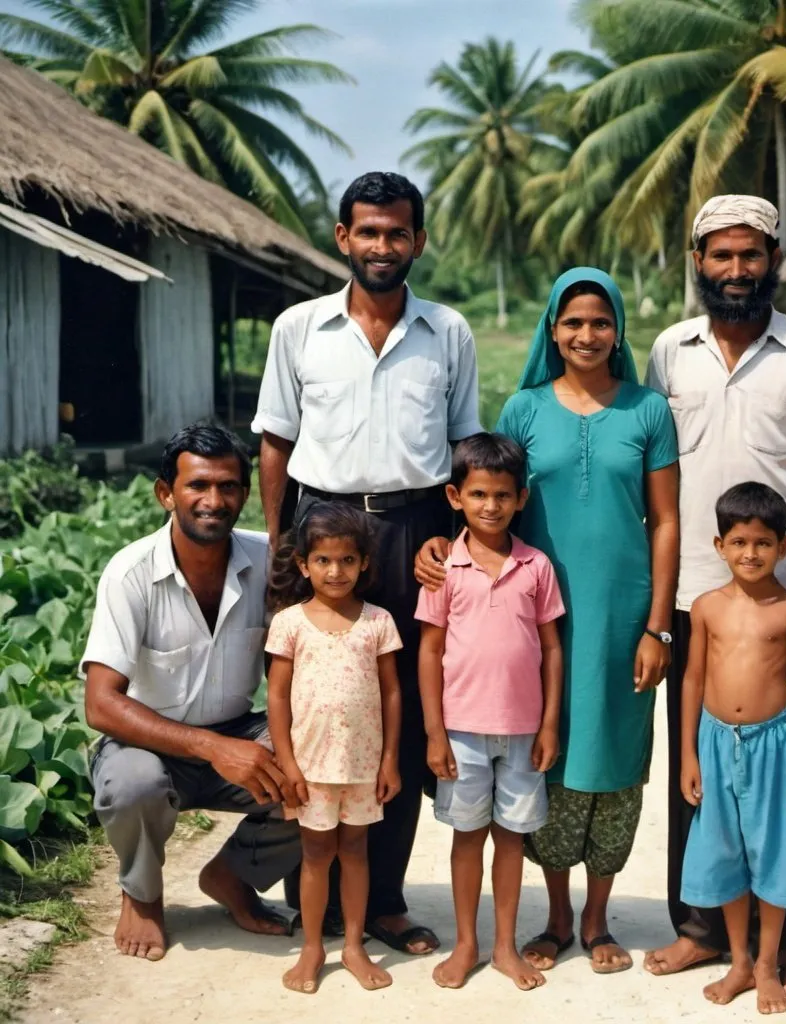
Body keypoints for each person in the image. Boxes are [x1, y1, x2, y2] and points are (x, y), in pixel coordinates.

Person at [416, 268, 680, 975]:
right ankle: (556, 917)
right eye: (573, 322)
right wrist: (445, 544)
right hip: (533, 612)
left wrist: (658, 626)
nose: (587, 335)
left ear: (619, 330)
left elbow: (666, 522)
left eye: (601, 322)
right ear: (552, 331)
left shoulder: (649, 411)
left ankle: (598, 919)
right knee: (549, 760)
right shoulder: (524, 409)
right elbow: (490, 495)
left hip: (623, 610)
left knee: (615, 760)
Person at [251, 171, 482, 954]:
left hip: (415, 526)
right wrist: (284, 550)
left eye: (398, 232)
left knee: (405, 712)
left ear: (418, 240)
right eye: (368, 232)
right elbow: (276, 444)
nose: (383, 246)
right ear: (343, 238)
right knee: (317, 701)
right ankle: (310, 901)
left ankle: (382, 900)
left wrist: (448, 535)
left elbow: (461, 449)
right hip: (319, 529)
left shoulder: (448, 331)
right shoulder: (299, 329)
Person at [643, 195, 786, 995]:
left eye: (752, 256)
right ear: (697, 261)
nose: (737, 271)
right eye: (721, 256)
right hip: (696, 597)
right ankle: (700, 929)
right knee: (696, 768)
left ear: (775, 260)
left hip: (784, 602)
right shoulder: (670, 350)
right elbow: (654, 472)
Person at [83, 422, 301, 963]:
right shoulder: (130, 573)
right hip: (146, 741)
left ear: (245, 495)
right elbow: (101, 702)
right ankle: (142, 893)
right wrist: (210, 747)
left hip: (236, 729)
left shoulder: (269, 563)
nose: (213, 500)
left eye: (228, 486)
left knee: (326, 759)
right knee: (133, 785)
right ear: (166, 494)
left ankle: (232, 875)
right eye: (197, 486)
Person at [416, 434, 565, 992]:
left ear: (521, 499)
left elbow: (551, 647)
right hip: (461, 732)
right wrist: (435, 732)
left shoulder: (535, 566)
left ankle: (505, 946)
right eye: (478, 494)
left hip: (524, 731)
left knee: (511, 839)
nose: (491, 506)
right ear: (455, 496)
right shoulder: (444, 569)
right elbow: (430, 650)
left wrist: (548, 724)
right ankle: (466, 944)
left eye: (503, 495)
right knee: (467, 837)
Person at [681, 482, 786, 1015]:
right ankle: (739, 960)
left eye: (763, 543)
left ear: (783, 547)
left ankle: (767, 964)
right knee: (725, 850)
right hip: (716, 743)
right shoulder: (706, 608)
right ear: (719, 545)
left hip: (774, 747)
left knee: (773, 850)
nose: (750, 554)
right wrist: (690, 754)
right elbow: (693, 678)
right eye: (738, 542)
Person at [266, 503, 403, 994]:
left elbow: (391, 692)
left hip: (363, 765)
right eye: (323, 560)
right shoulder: (289, 623)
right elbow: (277, 695)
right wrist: (286, 763)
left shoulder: (378, 622)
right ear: (303, 564)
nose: (335, 571)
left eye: (347, 560)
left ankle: (352, 945)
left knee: (356, 852)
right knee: (316, 854)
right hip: (309, 766)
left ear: (364, 561)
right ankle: (311, 948)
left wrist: (389, 760)